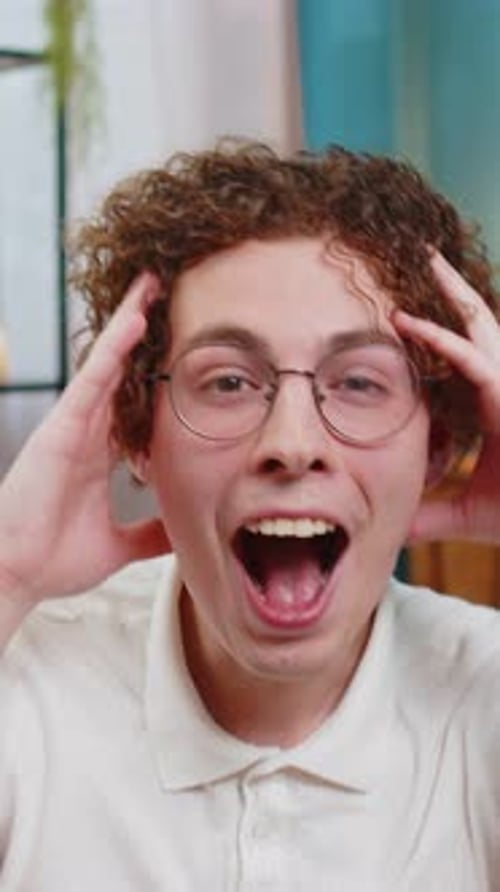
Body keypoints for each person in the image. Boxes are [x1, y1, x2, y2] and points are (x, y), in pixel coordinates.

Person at [1, 141, 500, 891]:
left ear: (437, 445)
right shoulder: (26, 676)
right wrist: (6, 573)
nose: (292, 445)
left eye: (359, 382)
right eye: (229, 382)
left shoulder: (483, 692)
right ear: (137, 432)